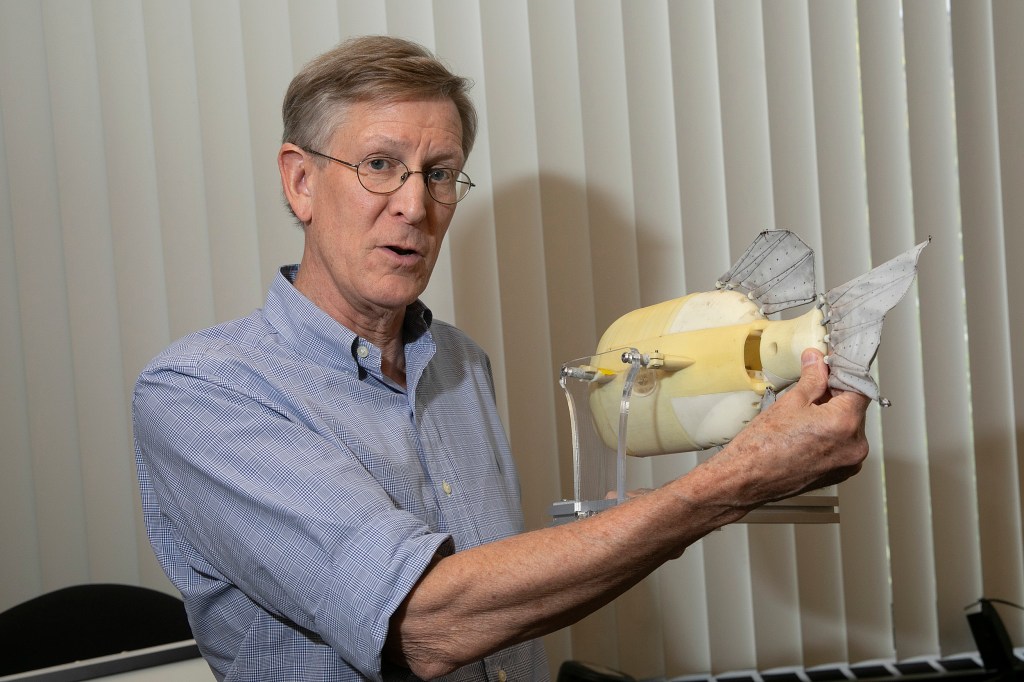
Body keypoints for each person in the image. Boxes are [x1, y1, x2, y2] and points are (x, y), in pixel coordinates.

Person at [133, 35, 870, 682]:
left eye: (440, 173)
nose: (414, 206)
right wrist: (731, 483)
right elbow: (425, 625)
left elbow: (503, 616)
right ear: (300, 181)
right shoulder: (204, 392)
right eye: (380, 165)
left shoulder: (458, 364)